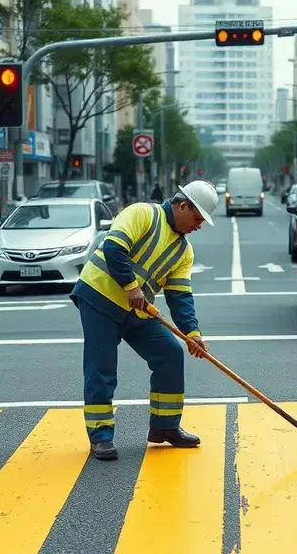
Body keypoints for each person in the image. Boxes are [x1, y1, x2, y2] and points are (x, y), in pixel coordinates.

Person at [69, 180, 220, 460]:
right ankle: (101, 436)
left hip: (136, 310)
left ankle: (165, 427)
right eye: (197, 218)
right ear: (182, 205)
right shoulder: (142, 214)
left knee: (171, 353)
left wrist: (192, 333)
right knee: (101, 366)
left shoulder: (183, 252)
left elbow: (180, 296)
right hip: (99, 297)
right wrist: (130, 286)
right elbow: (114, 248)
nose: (198, 225)